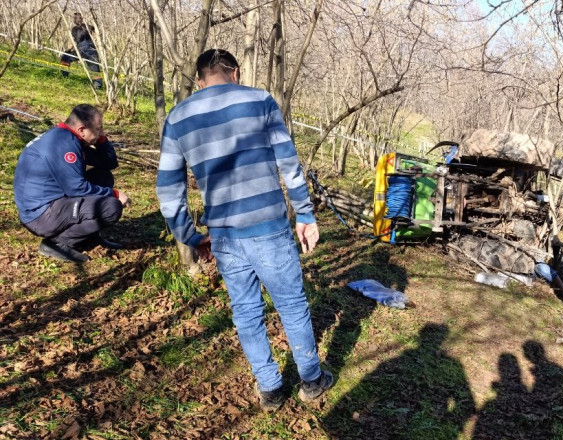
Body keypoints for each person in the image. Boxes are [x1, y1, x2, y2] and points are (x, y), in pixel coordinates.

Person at [156, 49, 332, 412]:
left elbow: (168, 191)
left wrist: (190, 236)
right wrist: (304, 213)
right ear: (235, 73)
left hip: (223, 234)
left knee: (246, 311)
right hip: (268, 226)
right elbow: (288, 161)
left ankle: (270, 389)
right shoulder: (260, 101)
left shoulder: (178, 117)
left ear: (200, 80)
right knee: (292, 304)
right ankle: (311, 380)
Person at [13, 104, 130, 263]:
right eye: (98, 128)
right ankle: (57, 244)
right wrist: (115, 194)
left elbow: (108, 162)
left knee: (103, 176)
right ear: (82, 129)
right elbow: (77, 188)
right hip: (40, 214)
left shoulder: (69, 137)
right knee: (111, 207)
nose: (102, 132)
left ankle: (89, 236)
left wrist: (100, 138)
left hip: (53, 201)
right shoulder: (62, 143)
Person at [60, 12, 102, 89]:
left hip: (83, 50)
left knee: (65, 57)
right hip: (91, 50)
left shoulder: (75, 29)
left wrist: (68, 51)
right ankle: (98, 86)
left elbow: (72, 42)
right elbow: (98, 34)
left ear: (75, 20)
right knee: (95, 68)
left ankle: (64, 77)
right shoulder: (89, 27)